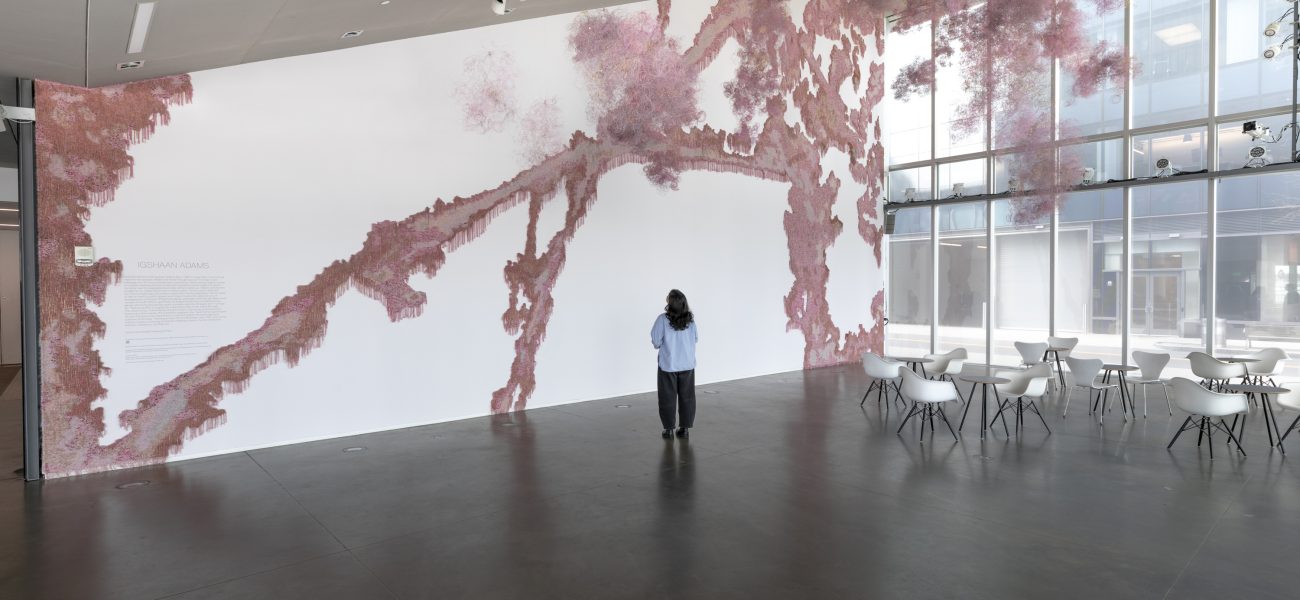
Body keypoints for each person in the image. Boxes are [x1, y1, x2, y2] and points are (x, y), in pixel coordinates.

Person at [651, 289, 698, 439]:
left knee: (667, 397)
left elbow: (656, 342)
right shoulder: (691, 321)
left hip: (668, 365)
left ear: (669, 303)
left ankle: (669, 429)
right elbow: (695, 339)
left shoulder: (662, 320)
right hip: (687, 365)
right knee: (688, 397)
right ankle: (684, 429)